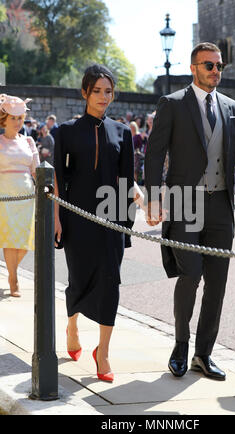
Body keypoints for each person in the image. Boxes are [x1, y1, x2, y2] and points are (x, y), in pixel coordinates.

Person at [144, 42, 235, 381]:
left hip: (220, 207)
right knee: (190, 275)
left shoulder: (232, 107)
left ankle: (203, 354)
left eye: (219, 66)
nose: (216, 71)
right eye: (209, 65)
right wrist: (154, 197)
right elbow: (154, 155)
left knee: (217, 282)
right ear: (193, 68)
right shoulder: (171, 104)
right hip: (185, 203)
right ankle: (181, 346)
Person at [54, 65, 135, 382]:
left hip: (112, 219)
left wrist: (125, 225)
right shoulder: (67, 130)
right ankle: (72, 325)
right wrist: (58, 217)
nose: (104, 96)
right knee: (78, 278)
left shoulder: (123, 131)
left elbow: (127, 180)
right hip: (77, 216)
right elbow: (59, 177)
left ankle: (102, 352)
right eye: (98, 90)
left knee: (110, 283)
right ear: (85, 92)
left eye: (109, 91)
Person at [0, 94, 40, 297]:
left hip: (26, 198)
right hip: (5, 198)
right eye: (13, 118)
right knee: (9, 239)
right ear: (4, 119)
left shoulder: (29, 141)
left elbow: (37, 170)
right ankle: (13, 278)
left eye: (20, 118)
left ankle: (13, 272)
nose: (17, 122)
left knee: (25, 241)